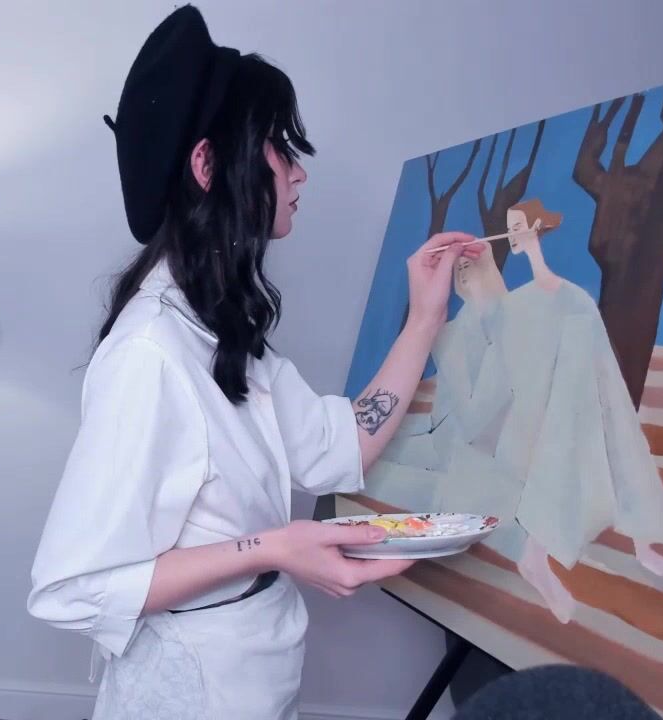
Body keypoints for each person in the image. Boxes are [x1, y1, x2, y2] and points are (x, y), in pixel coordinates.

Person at [26, 5, 481, 718]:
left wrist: (425, 318)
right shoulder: (151, 353)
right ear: (208, 165)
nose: (300, 173)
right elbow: (73, 587)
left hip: (254, 667)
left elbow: (336, 446)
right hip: (189, 692)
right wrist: (273, 546)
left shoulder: (219, 324)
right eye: (279, 148)